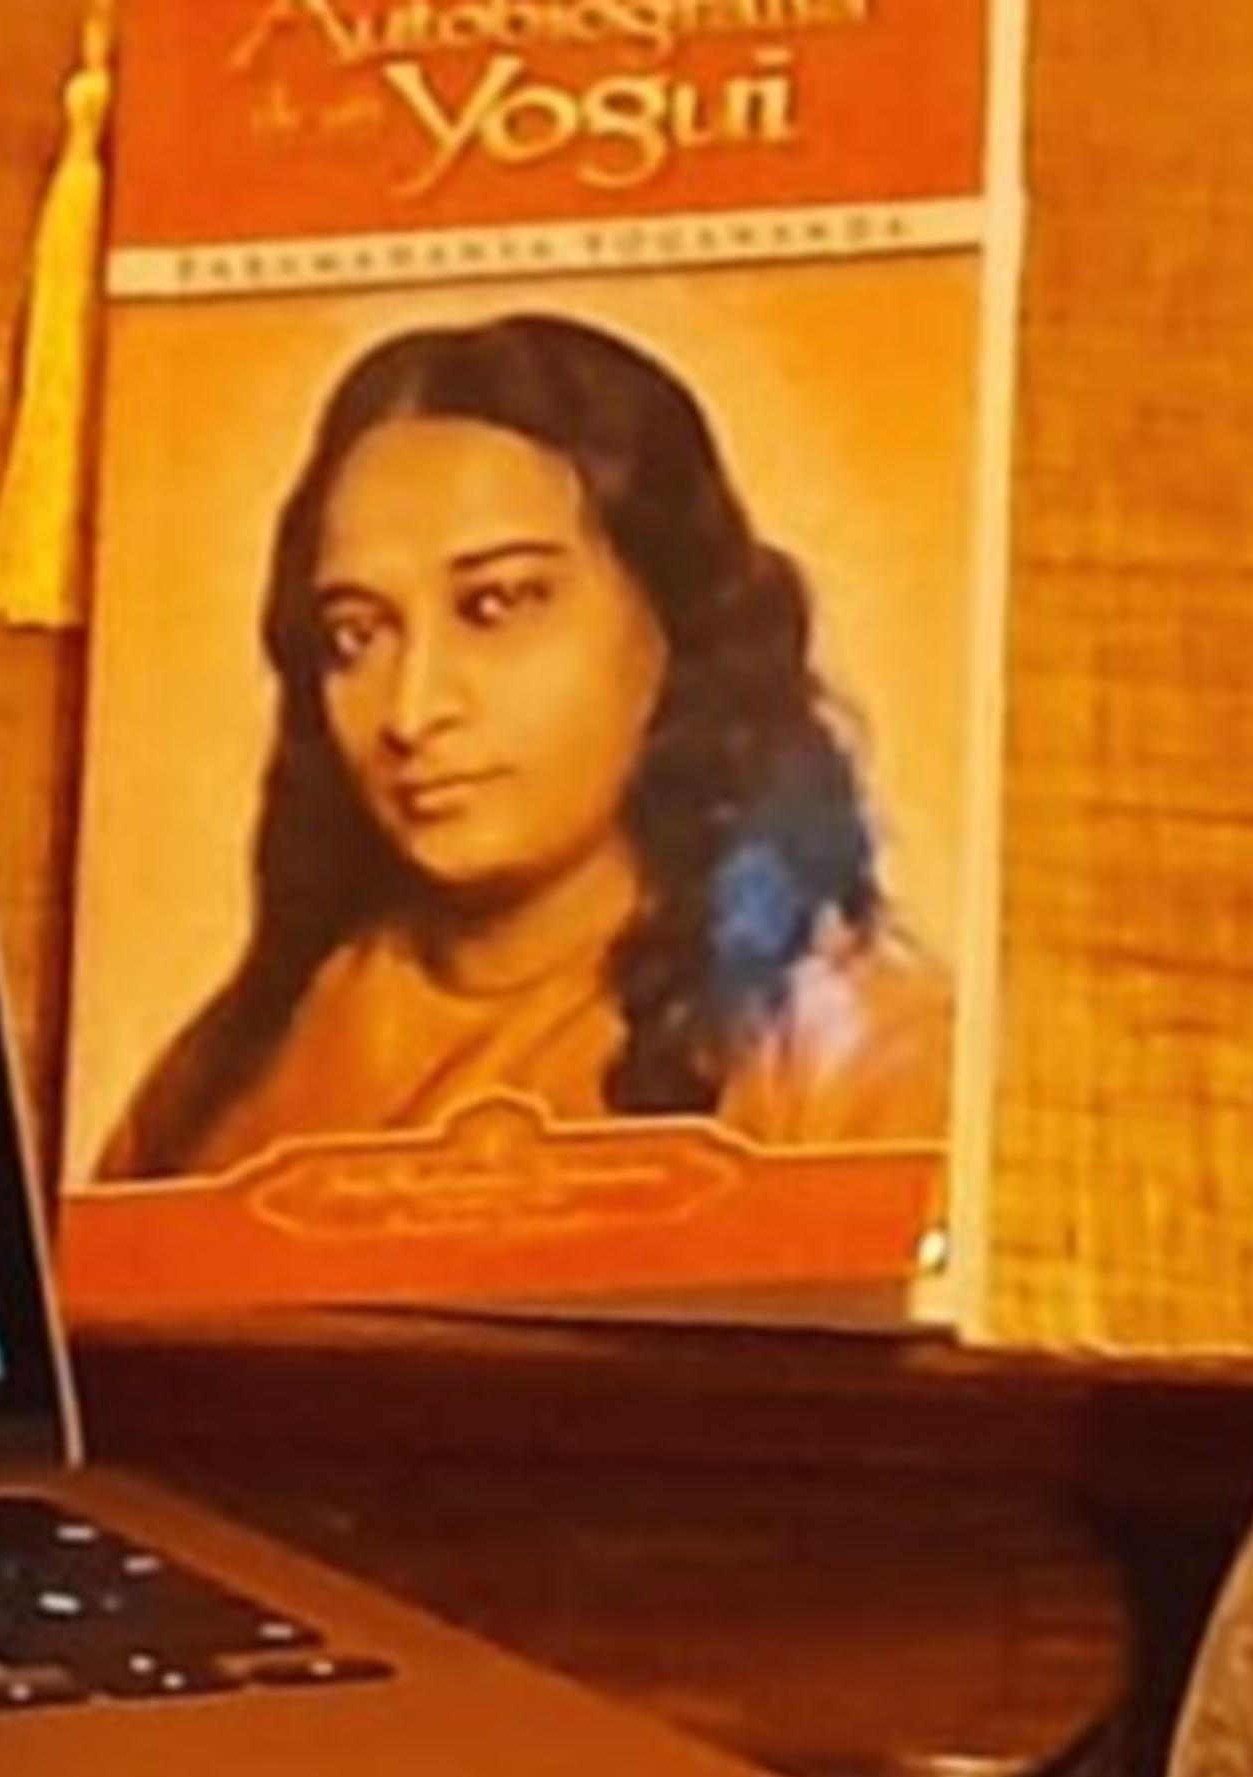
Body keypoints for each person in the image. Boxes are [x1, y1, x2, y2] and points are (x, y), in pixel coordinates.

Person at [98, 310, 951, 1179]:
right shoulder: (231, 1077)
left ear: (673, 616)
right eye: (357, 636)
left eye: (496, 605)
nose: (411, 711)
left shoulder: (856, 1063)